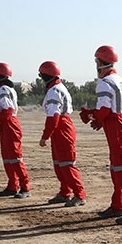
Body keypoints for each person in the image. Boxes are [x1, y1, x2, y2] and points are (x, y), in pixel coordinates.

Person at [79, 45, 122, 224]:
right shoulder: (120, 80)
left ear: (99, 62)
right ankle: (117, 206)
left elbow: (104, 109)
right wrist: (101, 118)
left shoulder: (104, 82)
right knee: (117, 167)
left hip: (117, 126)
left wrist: (92, 115)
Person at [36, 61, 86, 207]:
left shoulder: (54, 91)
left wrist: (45, 136)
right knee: (59, 165)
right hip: (61, 128)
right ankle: (65, 192)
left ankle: (79, 194)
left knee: (67, 164)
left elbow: (53, 117)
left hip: (62, 128)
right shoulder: (58, 87)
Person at [0, 62, 31, 198]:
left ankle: (25, 187)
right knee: (8, 158)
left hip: (10, 124)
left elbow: (7, 110)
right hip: (7, 125)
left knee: (15, 158)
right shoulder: (6, 89)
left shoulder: (3, 90)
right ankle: (12, 186)